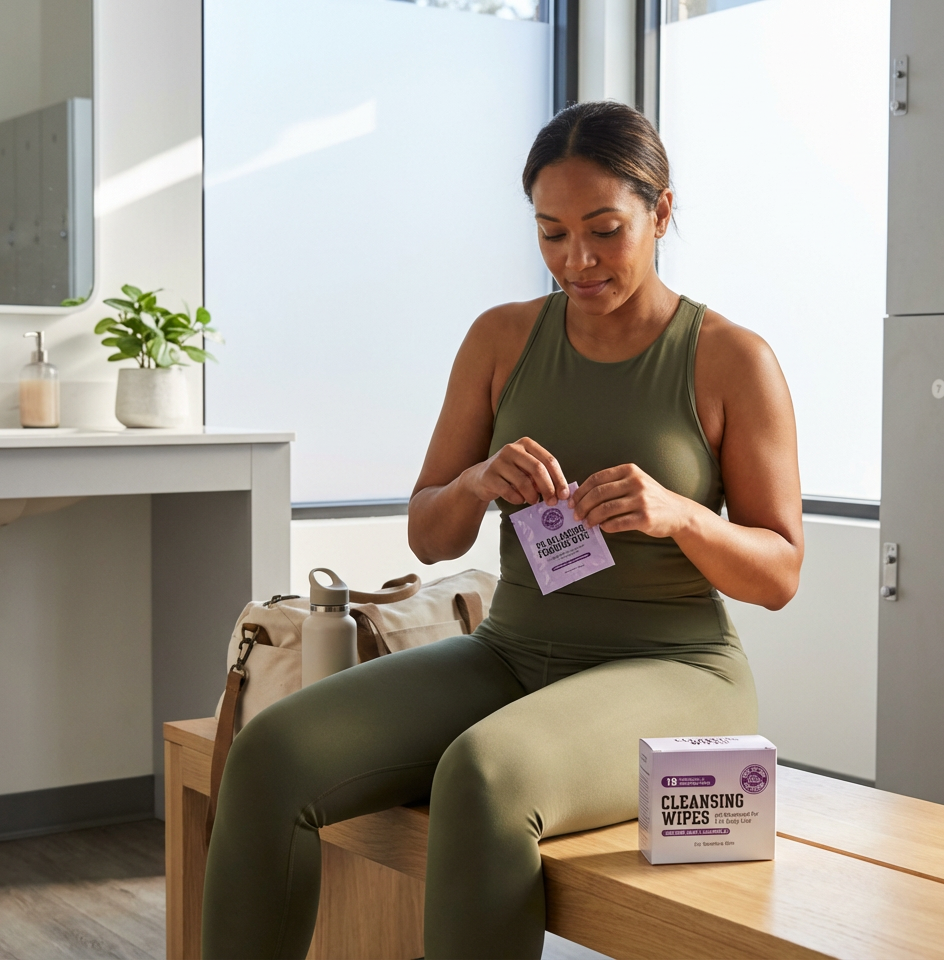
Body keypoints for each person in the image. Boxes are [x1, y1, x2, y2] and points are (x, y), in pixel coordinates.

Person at [201, 100, 803, 960]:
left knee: (483, 780)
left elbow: (780, 573)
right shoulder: (501, 339)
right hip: (513, 651)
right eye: (552, 234)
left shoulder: (731, 359)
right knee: (270, 752)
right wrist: (479, 482)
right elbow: (427, 535)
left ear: (662, 212)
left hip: (674, 667)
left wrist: (681, 514)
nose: (577, 261)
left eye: (605, 230)